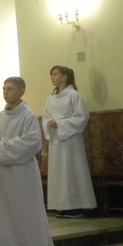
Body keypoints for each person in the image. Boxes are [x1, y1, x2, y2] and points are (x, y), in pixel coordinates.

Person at [0, 77, 53, 246]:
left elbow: (33, 143)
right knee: (8, 212)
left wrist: (3, 144)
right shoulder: (0, 117)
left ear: (21, 91)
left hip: (23, 173)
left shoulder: (28, 116)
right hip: (4, 174)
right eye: (4, 89)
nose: (5, 92)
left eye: (10, 89)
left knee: (25, 211)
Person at [42, 65, 97, 218]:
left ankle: (76, 206)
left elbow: (82, 117)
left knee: (72, 170)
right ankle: (61, 205)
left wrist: (60, 123)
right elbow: (46, 116)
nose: (52, 77)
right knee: (59, 172)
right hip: (56, 141)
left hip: (71, 140)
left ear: (64, 77)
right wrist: (49, 123)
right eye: (51, 74)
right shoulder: (51, 99)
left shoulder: (74, 96)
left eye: (55, 74)